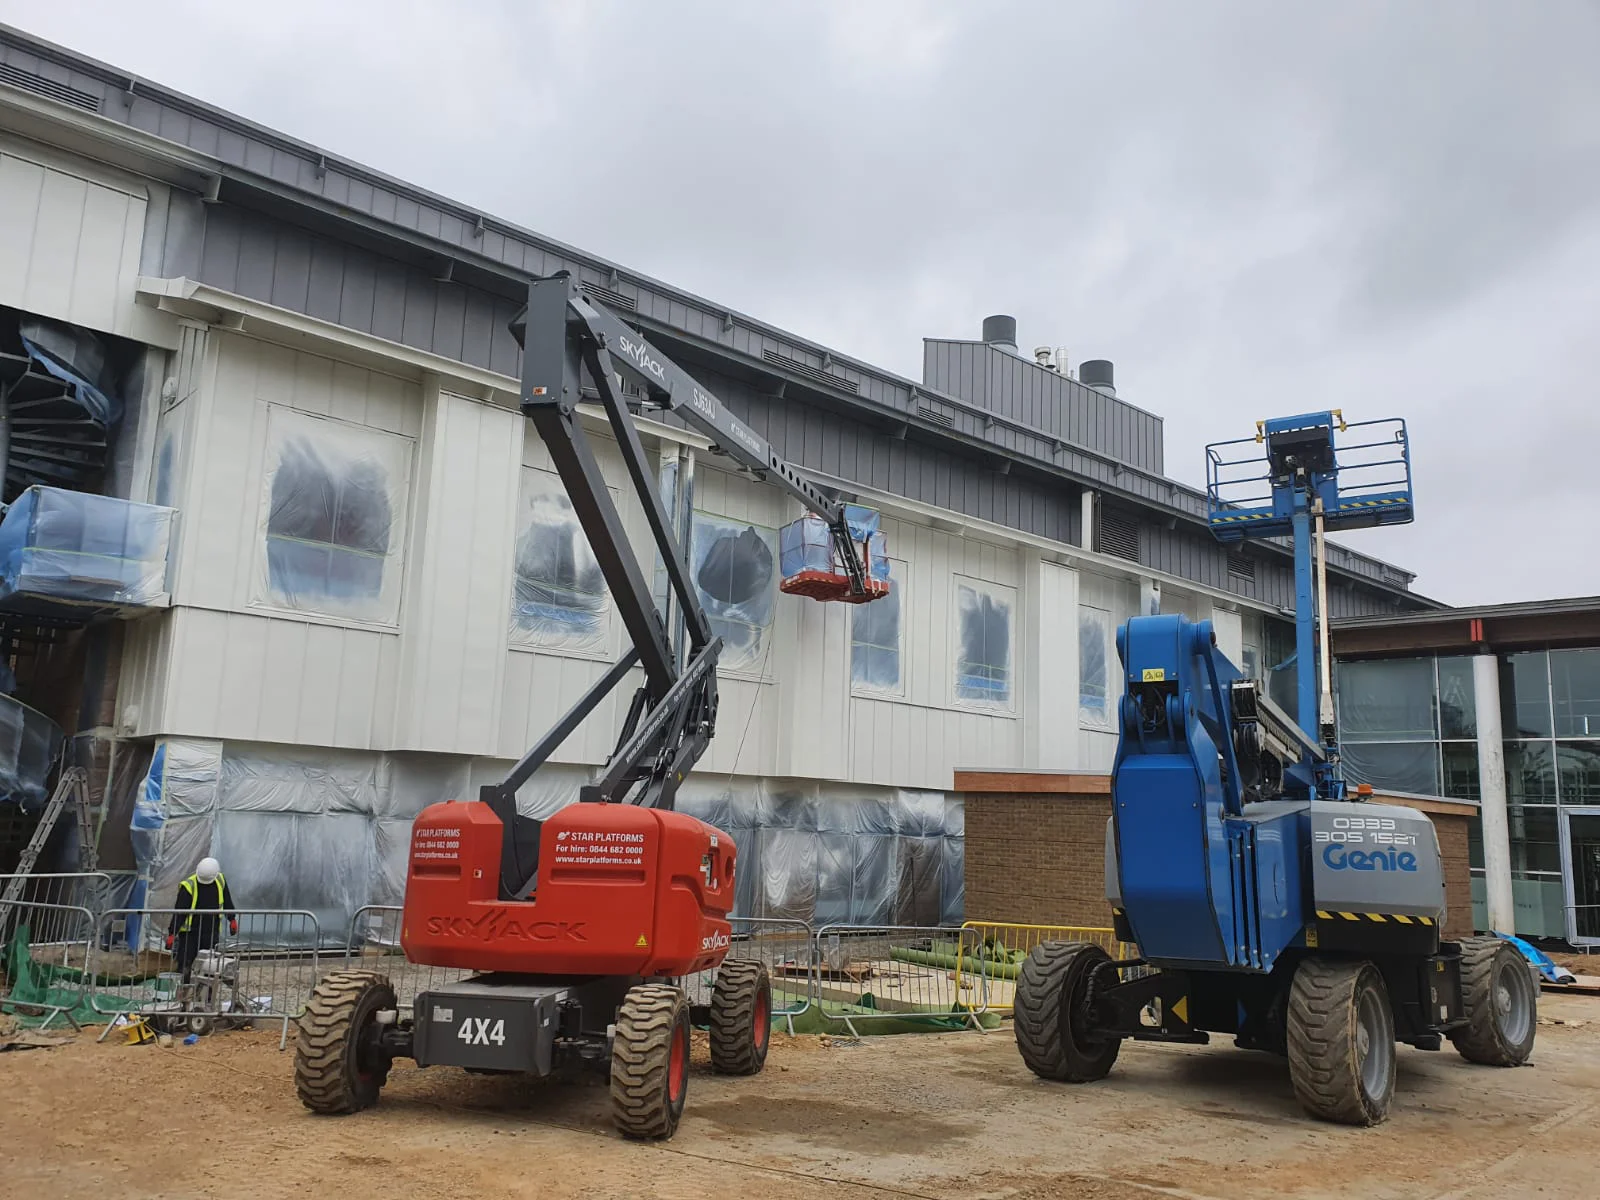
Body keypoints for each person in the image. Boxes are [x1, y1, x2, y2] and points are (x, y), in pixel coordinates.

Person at [166, 857, 237, 981]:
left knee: (209, 964)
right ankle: (184, 991)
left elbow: (226, 900)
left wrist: (232, 918)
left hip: (211, 930)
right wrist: (172, 932)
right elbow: (180, 912)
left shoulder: (220, 880)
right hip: (190, 932)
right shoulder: (189, 885)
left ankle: (205, 993)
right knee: (185, 962)